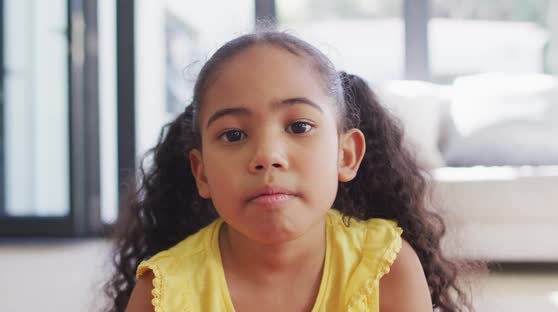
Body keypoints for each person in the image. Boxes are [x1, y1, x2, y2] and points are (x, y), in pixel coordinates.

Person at [104, 30, 478, 312]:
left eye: (299, 127)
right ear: (201, 173)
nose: (267, 156)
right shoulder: (162, 292)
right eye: (233, 134)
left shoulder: (387, 267)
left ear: (346, 155)